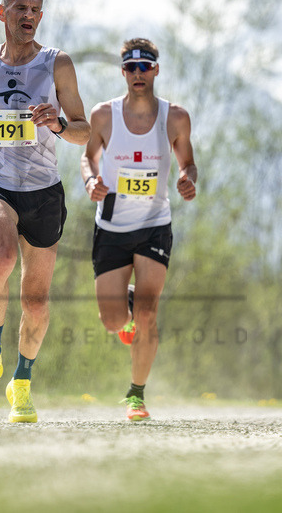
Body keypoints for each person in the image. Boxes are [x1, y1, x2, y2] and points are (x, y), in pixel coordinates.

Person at [0, 0, 90, 423]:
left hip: (43, 191)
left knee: (36, 301)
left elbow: (83, 131)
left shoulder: (58, 64)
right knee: (2, 256)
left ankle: (21, 380)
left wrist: (57, 124)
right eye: (20, 8)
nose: (29, 15)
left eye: (36, 9)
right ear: (2, 13)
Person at [80, 38, 197, 421]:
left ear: (156, 70)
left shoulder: (175, 118)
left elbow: (188, 164)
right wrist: (90, 180)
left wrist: (186, 179)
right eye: (130, 67)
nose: (138, 73)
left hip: (153, 227)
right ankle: (126, 301)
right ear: (122, 72)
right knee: (114, 322)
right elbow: (87, 158)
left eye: (145, 66)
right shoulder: (103, 115)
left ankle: (136, 395)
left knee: (148, 313)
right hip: (111, 226)